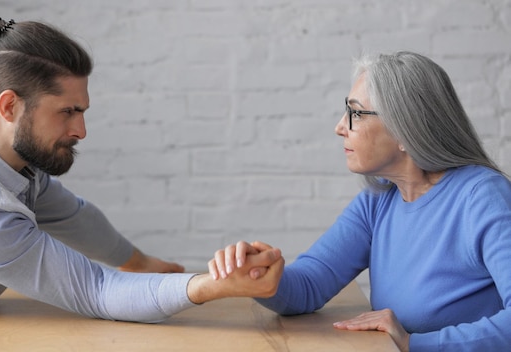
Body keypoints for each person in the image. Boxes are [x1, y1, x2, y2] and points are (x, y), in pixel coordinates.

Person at [0, 18, 284, 352]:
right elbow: (96, 291)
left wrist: (141, 263)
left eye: (82, 111)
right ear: (9, 106)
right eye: (67, 112)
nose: (81, 130)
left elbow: (75, 217)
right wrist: (214, 285)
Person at [209, 51, 511, 351]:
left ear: (405, 129)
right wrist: (259, 274)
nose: (340, 127)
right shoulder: (379, 198)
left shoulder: (483, 198)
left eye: (355, 113)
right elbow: (310, 285)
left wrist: (413, 344)